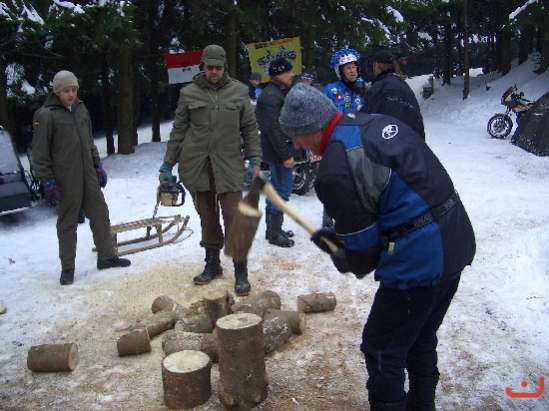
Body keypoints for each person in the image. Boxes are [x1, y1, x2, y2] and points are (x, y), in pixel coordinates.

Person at [279, 83, 476, 411]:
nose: (296, 144)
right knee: (419, 336)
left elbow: (363, 258)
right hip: (456, 237)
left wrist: (341, 253)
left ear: (312, 128)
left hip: (422, 259)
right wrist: (342, 236)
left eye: (296, 136)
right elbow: (391, 194)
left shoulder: (334, 169)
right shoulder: (372, 123)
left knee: (382, 348)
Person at [158, 45, 261, 296]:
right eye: (209, 67)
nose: (214, 72)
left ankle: (240, 269)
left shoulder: (239, 91)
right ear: (202, 66)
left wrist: (254, 160)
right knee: (207, 216)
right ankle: (212, 263)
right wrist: (167, 164)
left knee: (234, 217)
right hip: (197, 165)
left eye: (218, 67)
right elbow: (178, 131)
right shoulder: (188, 93)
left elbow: (249, 128)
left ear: (224, 67)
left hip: (229, 165)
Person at [32, 70, 131, 286]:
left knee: (100, 213)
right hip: (65, 178)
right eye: (66, 91)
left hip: (88, 173)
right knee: (68, 223)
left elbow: (89, 140)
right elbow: (39, 153)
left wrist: (97, 166)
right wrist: (47, 181)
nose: (71, 94)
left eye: (74, 90)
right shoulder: (46, 115)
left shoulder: (81, 109)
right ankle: (68, 268)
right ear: (57, 92)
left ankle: (107, 257)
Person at [255, 57, 296, 248]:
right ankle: (274, 233)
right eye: (288, 72)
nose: (291, 75)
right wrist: (285, 156)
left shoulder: (274, 93)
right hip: (277, 153)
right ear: (278, 74)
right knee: (282, 191)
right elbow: (273, 129)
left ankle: (273, 229)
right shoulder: (271, 96)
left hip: (276, 151)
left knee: (277, 190)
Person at [361, 50, 426, 141]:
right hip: (412, 143)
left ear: (377, 65)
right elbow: (417, 118)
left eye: (373, 65)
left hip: (389, 144)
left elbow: (363, 119)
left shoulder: (378, 87)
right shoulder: (404, 86)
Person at [323, 48, 365, 113]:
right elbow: (347, 109)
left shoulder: (361, 87)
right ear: (340, 72)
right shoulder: (333, 89)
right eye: (348, 68)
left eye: (354, 67)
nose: (352, 71)